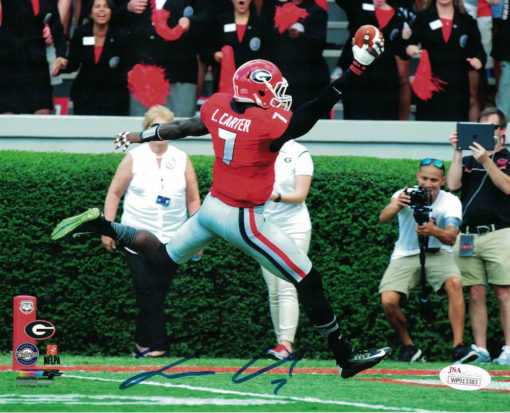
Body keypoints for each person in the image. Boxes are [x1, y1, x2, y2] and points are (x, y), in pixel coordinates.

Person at [51, 34, 392, 379]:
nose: (279, 96)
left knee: (162, 256)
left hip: (212, 209)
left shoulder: (218, 105)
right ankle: (345, 357)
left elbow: (185, 127)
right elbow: (318, 107)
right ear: (259, 92)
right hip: (243, 216)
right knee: (307, 277)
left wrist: (141, 136)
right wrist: (357, 67)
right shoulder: (266, 124)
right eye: (274, 89)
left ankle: (101, 225)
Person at [101, 105, 201, 357]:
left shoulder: (182, 159)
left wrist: (197, 236)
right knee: (146, 288)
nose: (159, 134)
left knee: (157, 292)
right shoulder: (134, 157)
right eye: (154, 128)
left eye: (165, 128)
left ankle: (141, 344)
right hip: (136, 236)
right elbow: (114, 193)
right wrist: (108, 228)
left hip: (172, 239)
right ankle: (158, 346)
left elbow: (193, 200)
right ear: (145, 130)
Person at [379, 158, 476, 363]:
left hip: (438, 251)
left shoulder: (450, 200)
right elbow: (383, 218)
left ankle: (458, 347)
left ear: (442, 181)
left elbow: (451, 237)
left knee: (455, 283)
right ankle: (409, 346)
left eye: (434, 180)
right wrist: (396, 204)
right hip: (405, 252)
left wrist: (434, 231)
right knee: (388, 300)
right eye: (424, 178)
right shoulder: (403, 195)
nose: (428, 184)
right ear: (417, 177)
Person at [447, 106, 510, 365]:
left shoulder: (506, 157)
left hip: (500, 232)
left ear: (502, 132)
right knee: (475, 292)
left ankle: (508, 348)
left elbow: (507, 187)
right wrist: (458, 151)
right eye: (480, 127)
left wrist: (487, 160)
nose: (485, 133)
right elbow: (452, 185)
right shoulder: (468, 159)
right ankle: (480, 348)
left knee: (504, 292)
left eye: (491, 128)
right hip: (468, 236)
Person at [115, 0, 212, 117]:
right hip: (143, 80)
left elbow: (210, 18)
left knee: (179, 126)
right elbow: (113, 20)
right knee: (141, 128)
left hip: (179, 76)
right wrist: (127, 8)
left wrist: (191, 21)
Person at [263, 139, 313, 360]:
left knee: (286, 284)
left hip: (294, 227)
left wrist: (274, 196)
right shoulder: (258, 147)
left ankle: (286, 344)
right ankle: (280, 346)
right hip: (264, 227)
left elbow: (300, 195)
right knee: (273, 289)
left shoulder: (299, 152)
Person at [406, 0, 486, 121]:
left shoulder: (466, 20)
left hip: (457, 84)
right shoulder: (423, 18)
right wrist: (409, 47)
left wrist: (478, 60)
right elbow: (407, 44)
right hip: (431, 84)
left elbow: (479, 51)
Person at [334, 0, 410, 120]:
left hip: (386, 78)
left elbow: (399, 49)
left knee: (385, 121)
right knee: (355, 119)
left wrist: (406, 41)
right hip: (358, 75)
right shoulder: (357, 6)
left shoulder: (398, 15)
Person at [54, 0, 131, 115]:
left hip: (113, 100)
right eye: (97, 7)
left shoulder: (122, 36)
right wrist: (62, 64)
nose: (101, 10)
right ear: (90, 12)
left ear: (111, 12)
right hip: (84, 98)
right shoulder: (81, 33)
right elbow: (73, 64)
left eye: (106, 7)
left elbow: (127, 67)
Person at [0, 0, 68, 114]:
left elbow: (58, 32)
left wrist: (60, 56)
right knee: (9, 117)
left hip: (37, 64)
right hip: (10, 65)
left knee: (43, 113)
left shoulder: (48, 3)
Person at [274, 0, 331, 115]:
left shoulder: (316, 11)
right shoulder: (278, 8)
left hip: (310, 81)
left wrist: (300, 36)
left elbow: (319, 43)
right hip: (285, 78)